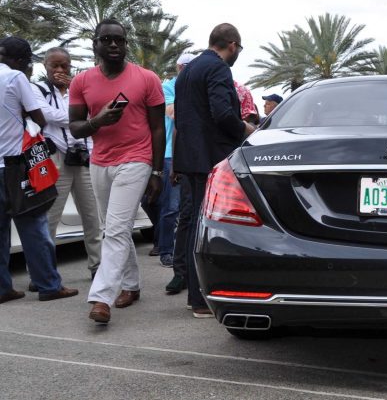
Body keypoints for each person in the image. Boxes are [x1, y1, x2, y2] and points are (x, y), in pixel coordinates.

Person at [69, 19, 166, 324]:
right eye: (107, 39)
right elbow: (75, 128)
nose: (114, 45)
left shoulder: (147, 78)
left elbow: (158, 128)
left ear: (126, 44)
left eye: (120, 40)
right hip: (99, 162)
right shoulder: (81, 81)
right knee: (115, 228)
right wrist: (98, 121)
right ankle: (132, 285)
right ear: (94, 43)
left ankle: (101, 297)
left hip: (136, 159)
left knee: (116, 227)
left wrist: (157, 172)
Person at [173, 23, 255, 318]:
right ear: (232, 45)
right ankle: (200, 299)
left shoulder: (187, 72)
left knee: (195, 220)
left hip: (190, 157)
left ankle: (194, 294)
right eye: (239, 50)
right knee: (206, 225)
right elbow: (222, 114)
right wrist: (246, 129)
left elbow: (182, 119)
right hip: (212, 158)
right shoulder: (219, 69)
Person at [0, 36, 79, 304]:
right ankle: (48, 285)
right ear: (22, 60)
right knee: (34, 226)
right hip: (15, 165)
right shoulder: (15, 78)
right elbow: (40, 117)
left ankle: (3, 288)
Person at [34, 47, 102, 280]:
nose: (60, 70)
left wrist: (76, 91)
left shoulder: (79, 89)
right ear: (45, 66)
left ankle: (97, 267)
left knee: (92, 216)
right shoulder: (38, 90)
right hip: (58, 158)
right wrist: (82, 119)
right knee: (51, 216)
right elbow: (47, 115)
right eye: (55, 65)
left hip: (84, 156)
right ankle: (44, 274)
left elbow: (95, 114)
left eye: (65, 65)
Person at [142, 53, 195, 271]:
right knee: (170, 206)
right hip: (168, 154)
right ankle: (166, 250)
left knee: (179, 207)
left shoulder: (191, 89)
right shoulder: (169, 88)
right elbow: (173, 113)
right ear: (181, 68)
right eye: (189, 68)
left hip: (187, 154)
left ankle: (170, 245)